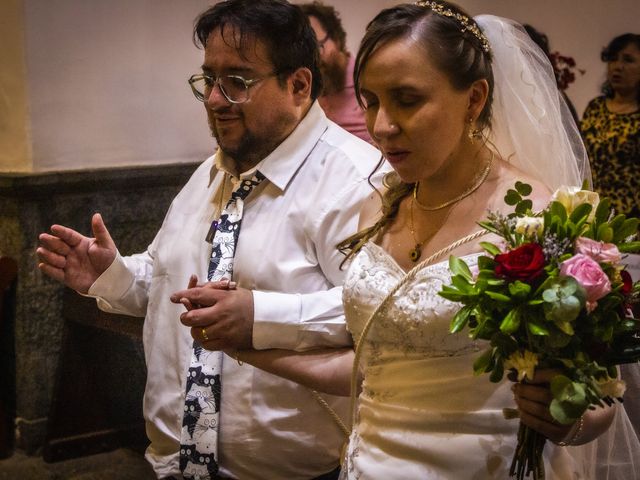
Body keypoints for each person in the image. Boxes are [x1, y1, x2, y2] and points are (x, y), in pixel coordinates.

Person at [210, 2, 640, 478]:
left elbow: (600, 400)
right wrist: (247, 348)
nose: (381, 126)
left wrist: (567, 415)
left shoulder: (537, 219)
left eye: (407, 100)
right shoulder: (380, 205)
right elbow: (375, 370)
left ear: (474, 99)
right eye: (371, 100)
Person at [36, 1, 380, 479]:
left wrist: (260, 316)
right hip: (175, 465)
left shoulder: (356, 181)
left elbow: (377, 315)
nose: (215, 100)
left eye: (237, 82)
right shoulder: (209, 174)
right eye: (208, 80)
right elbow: (172, 286)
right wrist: (111, 275)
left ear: (298, 85)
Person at [580, 33, 640, 219]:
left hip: (630, 218)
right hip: (593, 213)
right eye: (612, 59)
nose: (617, 67)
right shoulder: (595, 107)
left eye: (628, 60)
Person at [300, 2, 372, 143]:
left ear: (337, 39)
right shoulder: (304, 86)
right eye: (305, 52)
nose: (313, 60)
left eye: (318, 47)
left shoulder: (368, 77)